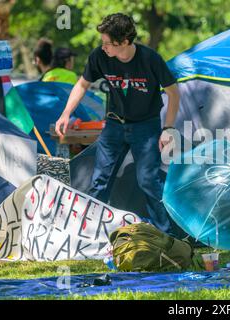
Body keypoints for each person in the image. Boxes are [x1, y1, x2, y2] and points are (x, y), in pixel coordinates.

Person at [55, 13, 180, 235]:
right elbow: (82, 85)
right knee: (99, 181)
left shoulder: (150, 59)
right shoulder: (99, 57)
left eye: (108, 43)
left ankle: (166, 236)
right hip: (114, 125)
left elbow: (174, 92)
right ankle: (88, 234)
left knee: (148, 181)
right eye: (102, 42)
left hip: (146, 126)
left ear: (124, 42)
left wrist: (168, 128)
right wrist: (66, 113)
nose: (103, 47)